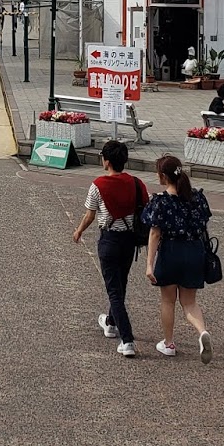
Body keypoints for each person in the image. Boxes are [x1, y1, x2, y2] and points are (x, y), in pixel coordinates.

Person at [73, 140, 149, 358]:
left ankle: (127, 339)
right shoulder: (136, 183)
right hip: (129, 240)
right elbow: (145, 207)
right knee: (120, 283)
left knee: (114, 290)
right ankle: (110, 322)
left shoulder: (98, 185)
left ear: (106, 161)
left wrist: (79, 231)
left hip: (109, 239)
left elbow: (90, 215)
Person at [141, 155, 213, 363]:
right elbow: (204, 224)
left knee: (168, 300)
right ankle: (202, 331)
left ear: (163, 176)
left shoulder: (161, 201)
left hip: (171, 251)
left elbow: (154, 234)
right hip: (195, 250)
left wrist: (149, 264)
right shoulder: (197, 198)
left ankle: (169, 343)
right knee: (189, 303)